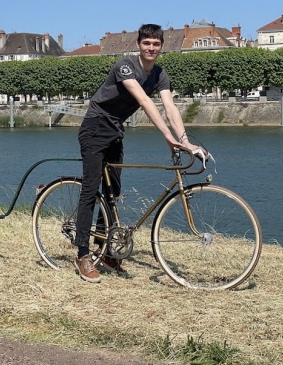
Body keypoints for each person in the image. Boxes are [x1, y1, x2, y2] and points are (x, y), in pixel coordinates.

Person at [74, 23, 203, 283]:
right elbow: (145, 101)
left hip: (114, 131)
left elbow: (170, 107)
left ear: (161, 46)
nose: (151, 48)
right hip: (95, 127)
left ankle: (106, 251)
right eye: (147, 43)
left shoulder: (160, 74)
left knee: (113, 193)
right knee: (90, 189)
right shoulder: (125, 66)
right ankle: (83, 253)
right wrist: (167, 137)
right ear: (139, 44)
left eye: (156, 44)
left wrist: (186, 142)